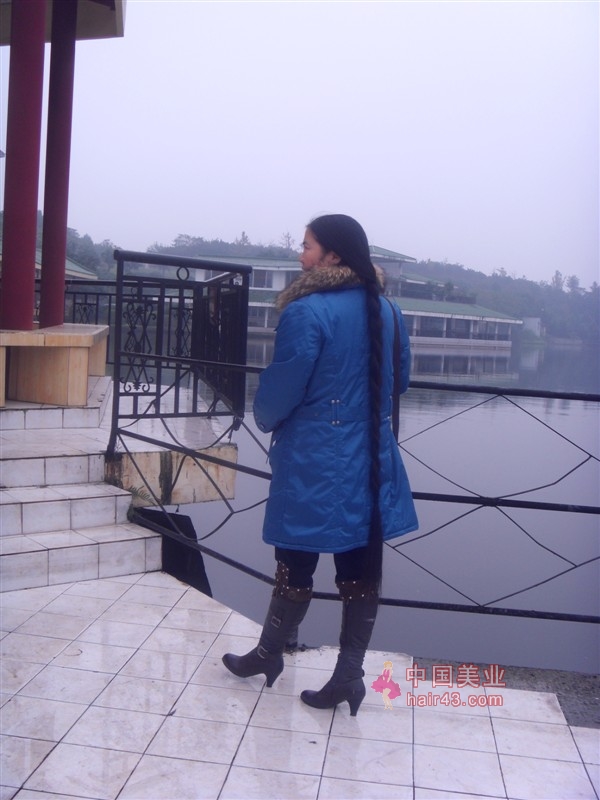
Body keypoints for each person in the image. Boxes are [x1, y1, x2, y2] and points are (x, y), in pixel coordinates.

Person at [222, 214, 418, 716]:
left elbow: (282, 388)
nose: (300, 254)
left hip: (314, 460)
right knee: (360, 569)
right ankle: (348, 676)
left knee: (295, 561)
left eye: (307, 246)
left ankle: (270, 653)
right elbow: (400, 381)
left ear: (332, 255)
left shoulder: (307, 311)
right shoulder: (388, 310)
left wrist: (265, 416)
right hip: (372, 459)